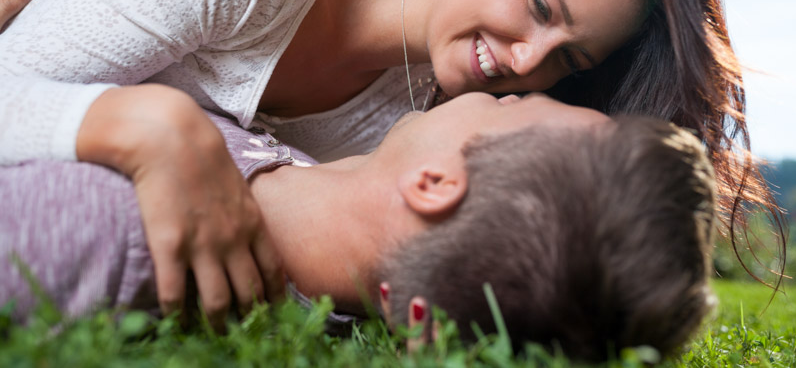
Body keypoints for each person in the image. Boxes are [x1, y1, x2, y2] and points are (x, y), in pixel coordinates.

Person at [0, 0, 777, 324]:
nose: (528, 60)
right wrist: (149, 125)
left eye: (567, 62)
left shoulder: (430, 130)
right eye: (540, 7)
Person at [1, 93, 717, 361]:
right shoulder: (297, 173)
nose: (490, 90)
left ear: (435, 183)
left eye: (508, 102)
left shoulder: (118, 231)